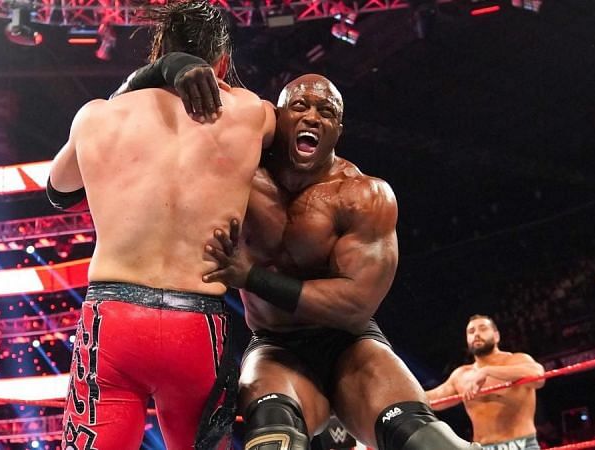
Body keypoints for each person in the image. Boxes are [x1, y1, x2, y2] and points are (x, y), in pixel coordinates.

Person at [197, 74, 481, 450]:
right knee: (272, 436)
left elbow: (353, 304)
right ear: (277, 117)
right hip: (276, 346)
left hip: (350, 343)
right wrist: (169, 70)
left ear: (338, 129)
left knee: (425, 441)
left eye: (326, 111)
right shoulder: (240, 178)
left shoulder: (363, 195)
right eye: (300, 106)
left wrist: (249, 276)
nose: (313, 117)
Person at [46, 1, 276, 448]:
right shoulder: (251, 113)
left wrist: (144, 80)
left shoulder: (97, 116)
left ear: (156, 54)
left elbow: (58, 189)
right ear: (222, 62)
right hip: (198, 329)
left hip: (112, 325)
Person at [426, 314, 545, 450]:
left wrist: (487, 371)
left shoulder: (516, 360)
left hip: (519, 445)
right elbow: (431, 400)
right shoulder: (461, 375)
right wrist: (400, 390)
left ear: (496, 336)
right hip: (482, 447)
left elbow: (538, 376)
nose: (476, 334)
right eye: (471, 331)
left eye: (483, 329)